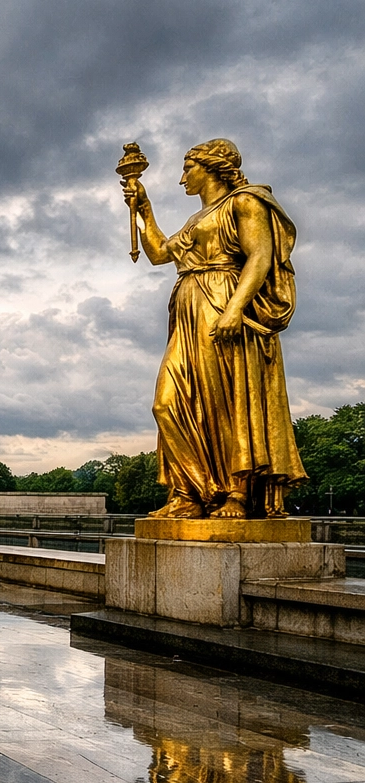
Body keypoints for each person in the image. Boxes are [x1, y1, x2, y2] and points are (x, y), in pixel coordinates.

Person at [121, 138, 305, 519]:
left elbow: (260, 256)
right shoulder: (194, 221)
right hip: (188, 312)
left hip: (221, 302)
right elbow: (158, 254)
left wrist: (235, 308)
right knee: (168, 404)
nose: (182, 177)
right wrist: (144, 211)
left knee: (227, 401)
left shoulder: (245, 202)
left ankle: (236, 494)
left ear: (211, 167)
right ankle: (192, 491)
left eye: (188, 168)